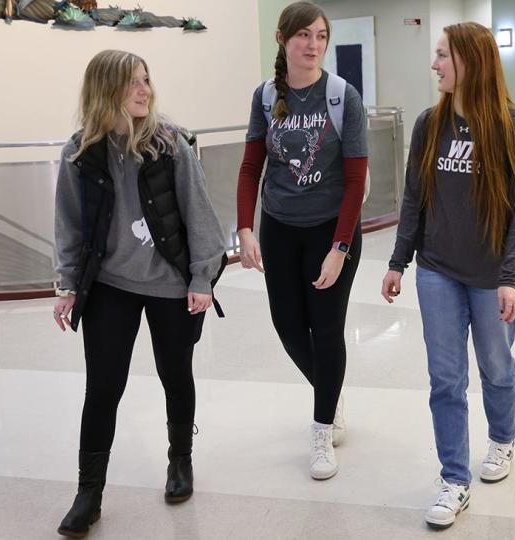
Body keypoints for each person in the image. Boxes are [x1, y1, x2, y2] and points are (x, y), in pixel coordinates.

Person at [52, 49, 226, 538]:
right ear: (106, 90)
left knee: (176, 374)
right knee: (103, 387)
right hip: (109, 285)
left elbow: (200, 217)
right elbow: (68, 224)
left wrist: (200, 280)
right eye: (132, 82)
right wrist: (66, 285)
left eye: (146, 80)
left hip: (170, 283)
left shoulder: (170, 145)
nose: (144, 90)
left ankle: (180, 461)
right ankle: (89, 494)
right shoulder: (80, 154)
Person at [381, 22, 515, 530]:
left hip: (493, 276)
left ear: (470, 60)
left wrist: (511, 278)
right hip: (438, 272)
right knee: (445, 379)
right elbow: (414, 197)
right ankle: (454, 479)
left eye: (443, 55)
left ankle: (502, 439)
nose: (435, 64)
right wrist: (397, 261)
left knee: (496, 365)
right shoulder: (431, 124)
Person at [235, 1, 368, 480]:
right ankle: (329, 389)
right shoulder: (266, 96)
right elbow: (251, 166)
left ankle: (321, 426)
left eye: (320, 36)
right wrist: (245, 228)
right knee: (288, 327)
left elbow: (355, 181)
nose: (313, 45)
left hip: (331, 230)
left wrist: (340, 247)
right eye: (304, 36)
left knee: (327, 328)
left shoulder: (341, 95)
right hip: (279, 228)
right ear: (282, 39)